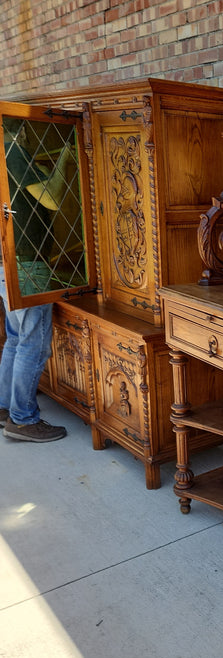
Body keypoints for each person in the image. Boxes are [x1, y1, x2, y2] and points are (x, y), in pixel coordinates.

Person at [0, 118, 70, 442]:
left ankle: (5, 409)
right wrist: (65, 162)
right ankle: (24, 420)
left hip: (8, 263)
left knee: (15, 339)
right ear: (25, 131)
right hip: (27, 265)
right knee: (33, 343)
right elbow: (53, 198)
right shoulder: (14, 152)